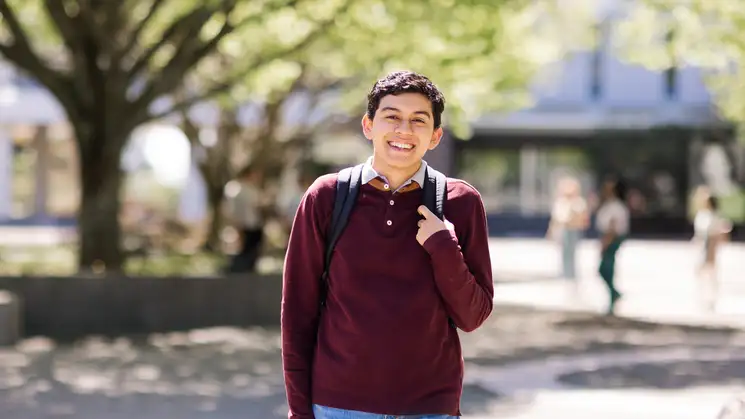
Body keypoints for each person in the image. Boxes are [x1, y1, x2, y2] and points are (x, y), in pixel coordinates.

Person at [281, 71, 494, 419]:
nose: (404, 130)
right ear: (368, 126)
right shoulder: (327, 197)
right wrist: (300, 411)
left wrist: (443, 245)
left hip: (430, 408)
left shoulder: (460, 201)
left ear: (435, 136)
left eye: (418, 121)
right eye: (391, 116)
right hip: (338, 406)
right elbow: (297, 315)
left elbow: (472, 316)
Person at [692, 189, 732, 311]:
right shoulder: (701, 215)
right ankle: (703, 299)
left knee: (710, 275)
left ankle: (711, 300)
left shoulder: (714, 216)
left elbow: (719, 233)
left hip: (709, 247)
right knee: (701, 275)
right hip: (700, 248)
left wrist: (711, 251)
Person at [595, 178, 630, 314]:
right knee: (606, 268)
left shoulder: (616, 207)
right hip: (609, 237)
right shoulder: (608, 205)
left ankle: (613, 294)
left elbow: (612, 227)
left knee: (605, 268)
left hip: (612, 238)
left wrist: (605, 242)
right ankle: (612, 295)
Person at [547, 176, 589, 282]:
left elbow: (582, 218)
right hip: (563, 230)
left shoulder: (578, 202)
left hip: (573, 230)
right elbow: (556, 219)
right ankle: (565, 273)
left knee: (572, 252)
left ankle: (571, 274)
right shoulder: (560, 202)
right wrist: (551, 231)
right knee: (564, 252)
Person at [226, 166, 265, 273]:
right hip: (245, 223)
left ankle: (248, 268)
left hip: (253, 222)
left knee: (253, 247)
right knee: (245, 248)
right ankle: (241, 269)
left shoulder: (251, 189)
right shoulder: (238, 189)